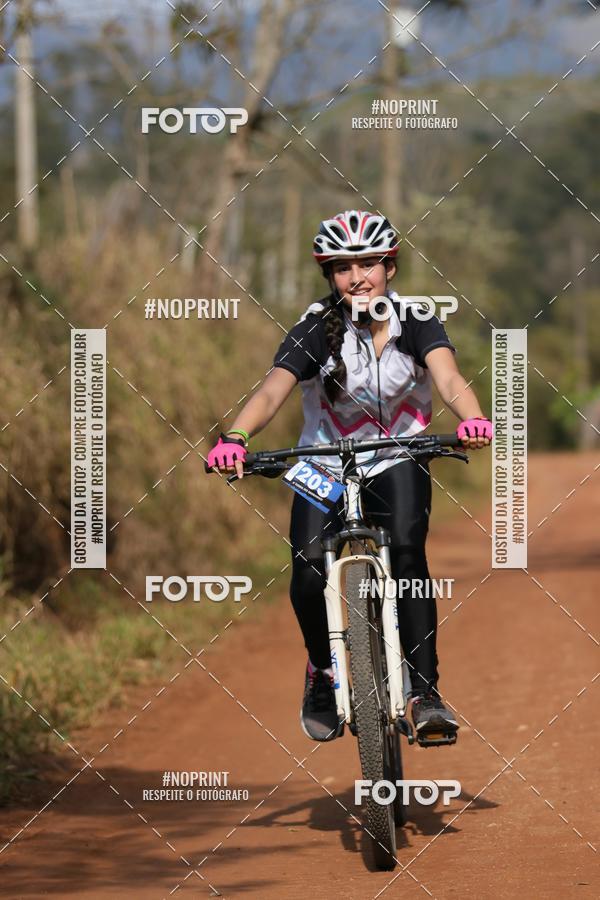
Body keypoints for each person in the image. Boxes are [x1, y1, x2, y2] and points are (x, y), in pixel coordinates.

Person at [207, 210, 492, 743]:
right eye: (342, 268)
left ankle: (423, 694)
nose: (357, 277)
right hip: (323, 461)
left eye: (368, 264)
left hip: (397, 453)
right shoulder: (317, 326)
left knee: (407, 555)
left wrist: (472, 418)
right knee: (307, 568)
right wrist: (237, 437)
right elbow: (273, 389)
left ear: (390, 268)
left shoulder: (417, 320)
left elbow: (448, 375)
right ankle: (322, 670)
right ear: (329, 276)